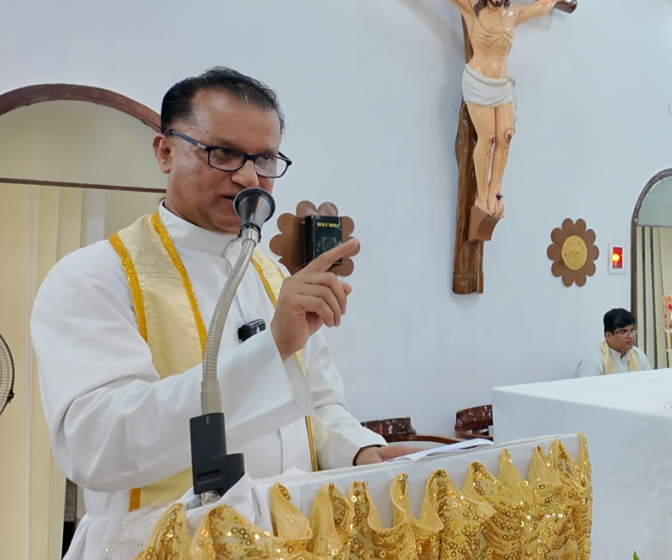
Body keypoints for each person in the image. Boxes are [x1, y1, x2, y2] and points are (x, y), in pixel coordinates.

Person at [30, 67, 417, 560]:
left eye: (265, 159)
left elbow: (317, 405)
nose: (249, 178)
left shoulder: (272, 276)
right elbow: (97, 446)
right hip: (160, 544)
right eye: (224, 152)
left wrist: (360, 450)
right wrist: (271, 348)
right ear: (165, 152)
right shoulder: (96, 276)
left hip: (288, 540)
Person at [445, 0, 569, 221]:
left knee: (506, 136)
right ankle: (482, 196)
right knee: (488, 138)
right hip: (479, 81)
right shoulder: (472, 10)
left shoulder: (512, 15)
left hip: (502, 84)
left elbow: (541, 7)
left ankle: (496, 193)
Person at [574, 308, 652, 377]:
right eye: (623, 332)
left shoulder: (638, 355)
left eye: (632, 330)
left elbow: (648, 383)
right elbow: (585, 388)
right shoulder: (593, 361)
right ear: (608, 336)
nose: (630, 336)